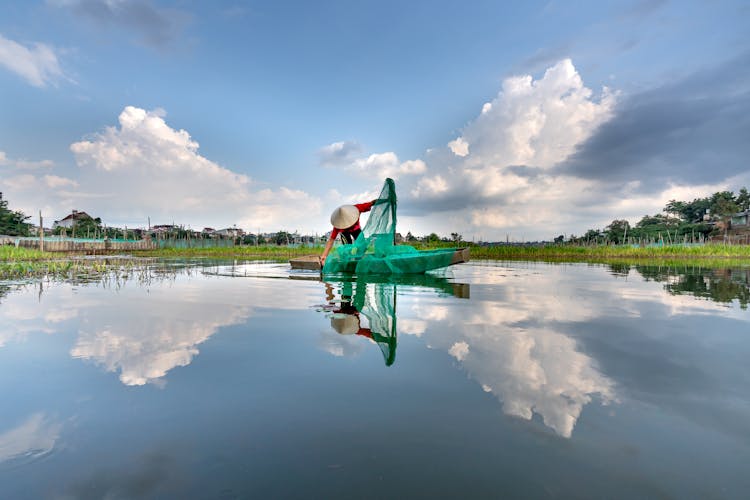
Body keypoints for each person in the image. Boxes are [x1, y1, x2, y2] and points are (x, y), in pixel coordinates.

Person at [320, 199, 376, 266]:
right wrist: (324, 255)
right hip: (344, 232)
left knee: (362, 245)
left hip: (356, 229)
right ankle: (347, 262)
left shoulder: (357, 208)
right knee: (347, 248)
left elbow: (372, 203)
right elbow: (331, 240)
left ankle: (358, 260)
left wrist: (383, 200)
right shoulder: (338, 225)